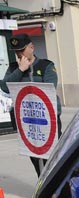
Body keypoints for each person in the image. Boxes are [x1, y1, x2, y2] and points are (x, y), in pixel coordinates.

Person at [1, 34, 62, 176]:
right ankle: (42, 186)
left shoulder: (46, 66)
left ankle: (55, 189)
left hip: (47, 119)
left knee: (52, 157)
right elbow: (5, 86)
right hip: (26, 119)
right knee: (34, 155)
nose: (19, 54)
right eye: (16, 51)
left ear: (32, 48)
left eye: (22, 50)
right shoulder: (13, 68)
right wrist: (20, 70)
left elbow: (49, 88)